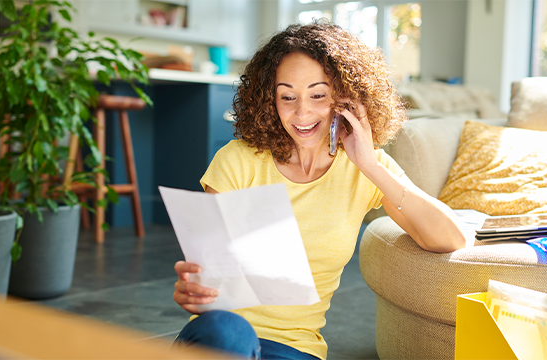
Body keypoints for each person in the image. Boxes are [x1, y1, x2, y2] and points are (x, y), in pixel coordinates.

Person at [172, 21, 466, 360]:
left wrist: (369, 164)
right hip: (221, 338)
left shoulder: (364, 168)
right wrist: (192, 289)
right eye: (287, 96)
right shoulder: (237, 161)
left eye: (317, 95)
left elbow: (451, 238)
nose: (302, 112)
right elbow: (208, 273)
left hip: (293, 347)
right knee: (230, 332)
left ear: (346, 100)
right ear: (270, 100)